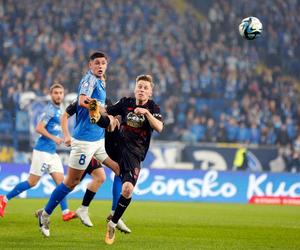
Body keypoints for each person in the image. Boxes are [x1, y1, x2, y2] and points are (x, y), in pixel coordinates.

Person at [36, 51, 120, 237]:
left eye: (103, 63)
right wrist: (96, 112)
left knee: (118, 170)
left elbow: (97, 106)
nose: (100, 66)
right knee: (71, 183)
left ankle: (114, 215)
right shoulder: (89, 80)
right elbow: (83, 101)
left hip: (98, 141)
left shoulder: (101, 81)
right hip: (84, 142)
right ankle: (45, 214)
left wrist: (107, 115)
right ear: (90, 65)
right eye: (96, 63)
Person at [0, 83, 76, 221]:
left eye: (60, 93)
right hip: (42, 151)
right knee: (32, 182)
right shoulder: (50, 110)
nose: (58, 95)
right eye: (56, 93)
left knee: (62, 183)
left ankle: (65, 212)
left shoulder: (59, 110)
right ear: (51, 95)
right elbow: (39, 128)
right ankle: (4, 199)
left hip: (52, 153)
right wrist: (54, 138)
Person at [102, 74, 164, 244]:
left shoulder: (153, 108)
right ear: (135, 88)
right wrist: (95, 107)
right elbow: (106, 111)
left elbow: (159, 127)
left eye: (145, 88)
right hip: (116, 146)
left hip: (134, 154)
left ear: (150, 92)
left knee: (128, 190)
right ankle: (92, 144)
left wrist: (146, 114)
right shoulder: (125, 103)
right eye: (140, 86)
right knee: (110, 121)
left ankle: (113, 223)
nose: (142, 90)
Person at [61, 99, 131, 232]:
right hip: (85, 148)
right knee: (72, 183)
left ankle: (108, 212)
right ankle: (48, 210)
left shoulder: (107, 103)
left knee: (114, 172)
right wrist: (66, 136)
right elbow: (66, 115)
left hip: (96, 150)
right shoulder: (82, 101)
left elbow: (109, 121)